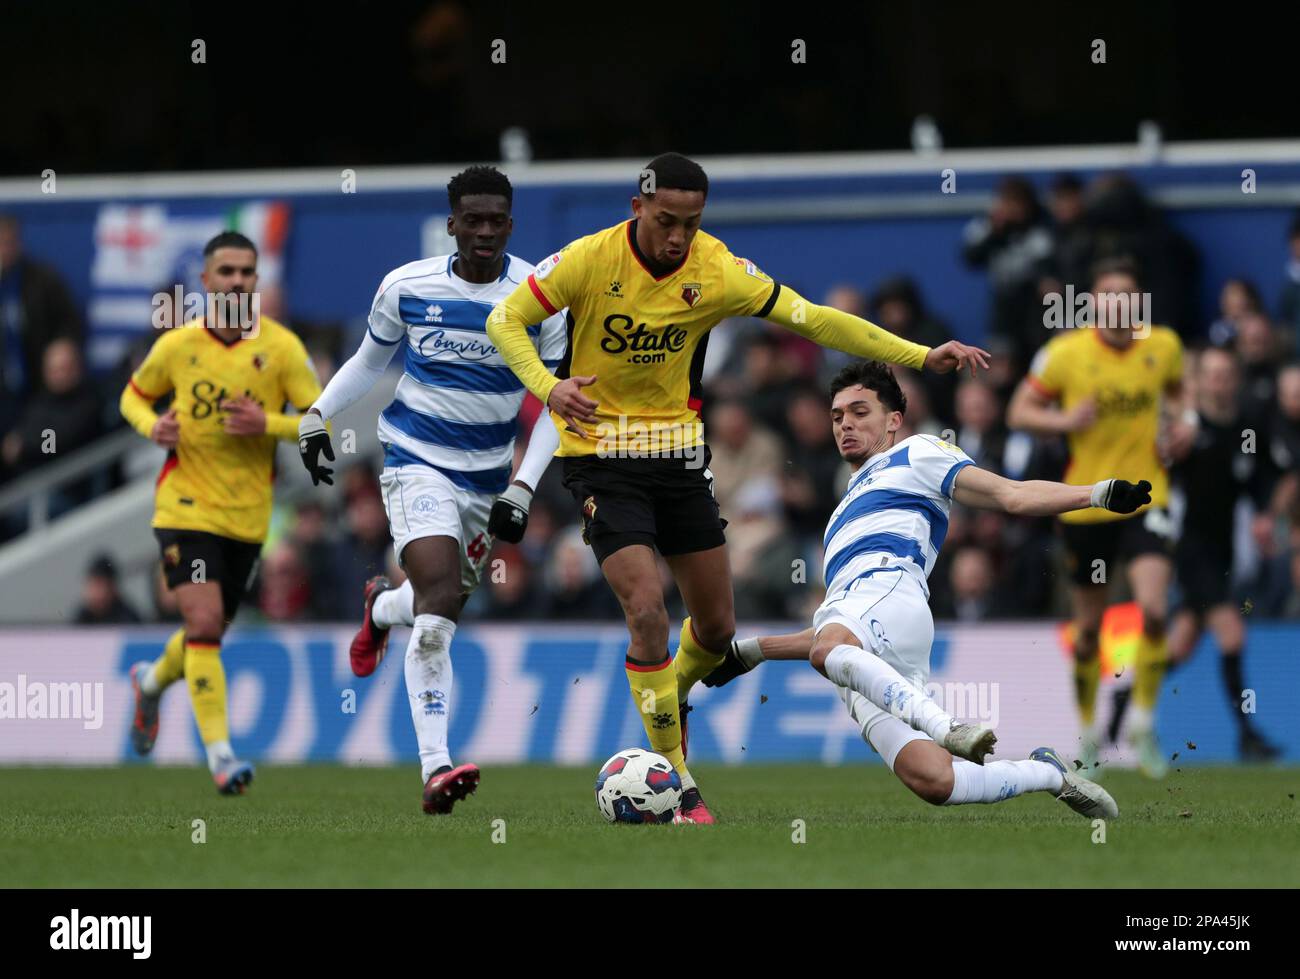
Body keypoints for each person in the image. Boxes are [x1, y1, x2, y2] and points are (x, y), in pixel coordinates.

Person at [485, 152, 989, 823]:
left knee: (718, 630)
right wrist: (550, 388)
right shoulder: (588, 259)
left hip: (680, 457)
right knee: (646, 607)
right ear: (638, 208)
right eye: (666, 220)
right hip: (601, 456)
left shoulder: (716, 269)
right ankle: (680, 780)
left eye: (690, 223)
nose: (677, 236)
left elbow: (812, 319)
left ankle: (668, 699)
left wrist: (920, 355)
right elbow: (503, 321)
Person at [701, 360, 1142, 818]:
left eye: (859, 412)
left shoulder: (918, 453)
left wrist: (1096, 494)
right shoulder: (840, 514)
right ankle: (1049, 773)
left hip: (892, 592)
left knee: (830, 651)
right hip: (865, 639)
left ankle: (946, 726)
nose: (845, 424)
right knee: (936, 781)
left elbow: (1011, 495)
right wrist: (748, 652)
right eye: (836, 416)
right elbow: (831, 633)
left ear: (894, 421)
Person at [296, 165, 566, 815]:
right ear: (451, 224)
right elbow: (370, 359)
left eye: (494, 220)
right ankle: (436, 766)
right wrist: (315, 415)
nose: (482, 231)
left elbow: (560, 403)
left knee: (434, 602)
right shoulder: (406, 286)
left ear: (510, 225)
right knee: (441, 599)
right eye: (470, 219)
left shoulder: (541, 297)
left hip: (487, 478)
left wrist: (523, 488)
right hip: (416, 461)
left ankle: (384, 609)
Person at [122, 231, 322, 795]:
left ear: (256, 280)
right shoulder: (179, 346)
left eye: (246, 271)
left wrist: (269, 426)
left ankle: (152, 680)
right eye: (226, 271)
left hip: (248, 517)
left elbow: (320, 421)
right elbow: (133, 396)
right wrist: (151, 425)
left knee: (204, 631)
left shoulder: (281, 348)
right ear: (206, 280)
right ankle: (222, 756)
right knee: (206, 624)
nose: (237, 280)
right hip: (184, 505)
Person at [1006, 256, 1193, 777]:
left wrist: (1187, 422)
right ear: (1091, 303)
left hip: (1147, 499)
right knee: (1089, 631)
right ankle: (1089, 735)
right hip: (1087, 504)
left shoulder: (1164, 346)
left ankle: (1141, 722)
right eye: (1108, 293)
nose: (1119, 303)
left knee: (1154, 611)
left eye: (1128, 294)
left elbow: (1180, 391)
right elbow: (1018, 411)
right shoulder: (1063, 355)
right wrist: (1065, 418)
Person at [1165, 346, 1282, 760]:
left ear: (1235, 380)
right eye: (1210, 374)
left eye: (1225, 374)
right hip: (1193, 550)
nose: (1218, 381)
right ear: (1201, 381)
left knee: (1178, 648)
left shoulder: (1246, 430)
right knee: (1232, 632)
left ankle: (1116, 713)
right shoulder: (1188, 430)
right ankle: (1247, 734)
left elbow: (1266, 479)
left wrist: (1267, 515)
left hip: (1224, 552)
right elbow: (1161, 471)